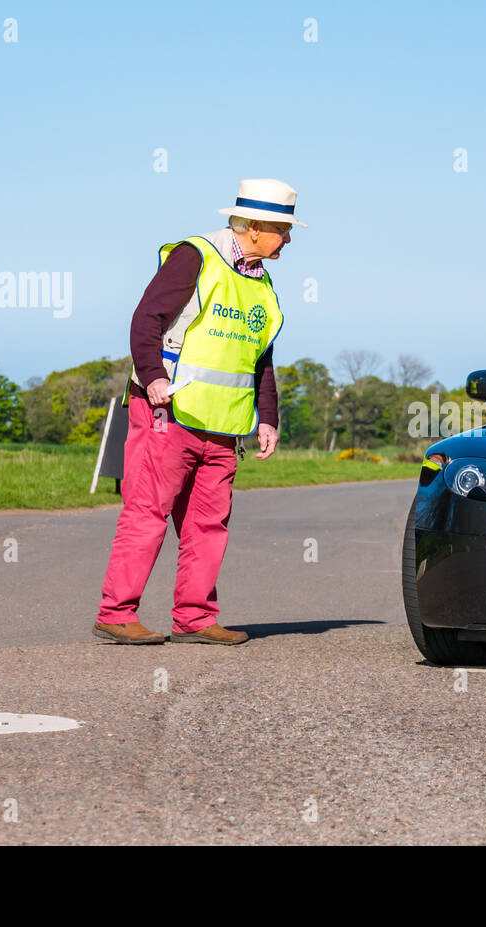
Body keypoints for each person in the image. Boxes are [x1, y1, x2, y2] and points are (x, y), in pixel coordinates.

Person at [92, 178, 305, 646]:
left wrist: (267, 417)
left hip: (224, 427)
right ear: (251, 227)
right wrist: (152, 378)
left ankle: (195, 617)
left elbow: (260, 358)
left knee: (208, 525)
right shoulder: (195, 255)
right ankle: (116, 613)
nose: (287, 239)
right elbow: (145, 318)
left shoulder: (262, 285)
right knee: (147, 513)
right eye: (282, 230)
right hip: (168, 414)